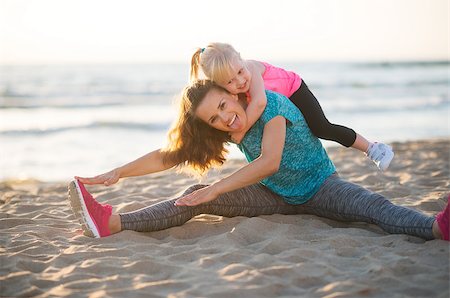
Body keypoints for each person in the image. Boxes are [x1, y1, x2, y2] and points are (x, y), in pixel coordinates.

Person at [69, 80, 449, 241]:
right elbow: (170, 155)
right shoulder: (223, 127)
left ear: (233, 93)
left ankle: (436, 228)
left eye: (223, 105)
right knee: (193, 194)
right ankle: (110, 223)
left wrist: (216, 190)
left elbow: (268, 161)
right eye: (213, 118)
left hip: (321, 187)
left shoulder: (273, 106)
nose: (224, 118)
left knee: (373, 206)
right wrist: (120, 171)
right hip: (274, 196)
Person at [190, 42, 394, 171]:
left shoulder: (251, 68)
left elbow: (260, 102)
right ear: (219, 85)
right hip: (280, 106)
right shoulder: (231, 90)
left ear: (242, 60)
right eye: (230, 82)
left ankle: (373, 148)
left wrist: (240, 131)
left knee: (321, 128)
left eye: (240, 72)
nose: (240, 81)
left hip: (294, 91)